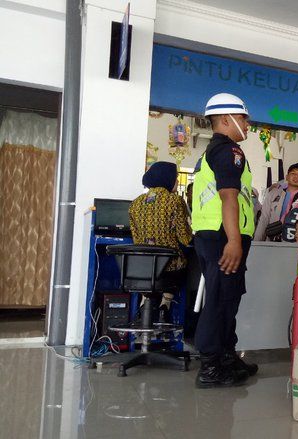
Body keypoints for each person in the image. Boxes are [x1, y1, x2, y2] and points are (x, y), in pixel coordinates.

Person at [191, 92, 258, 388]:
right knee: (219, 300)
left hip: (214, 234)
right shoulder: (228, 151)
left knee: (228, 297)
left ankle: (226, 356)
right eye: (243, 118)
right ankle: (210, 367)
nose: (247, 123)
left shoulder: (212, 152)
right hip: (223, 236)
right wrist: (234, 241)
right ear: (225, 119)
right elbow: (228, 197)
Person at [128, 161, 192, 323]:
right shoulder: (175, 201)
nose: (177, 183)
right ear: (167, 179)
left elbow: (136, 240)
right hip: (169, 268)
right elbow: (185, 238)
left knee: (151, 277)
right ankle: (166, 304)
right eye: (176, 178)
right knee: (182, 264)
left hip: (143, 268)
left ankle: (145, 305)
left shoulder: (135, 204)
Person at [255, 163, 298, 242]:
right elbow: (264, 218)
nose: (296, 176)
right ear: (287, 177)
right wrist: (257, 242)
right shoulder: (274, 193)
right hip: (272, 239)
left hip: (295, 242)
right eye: (293, 173)